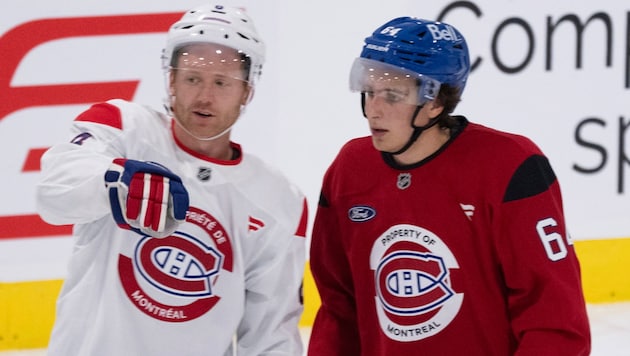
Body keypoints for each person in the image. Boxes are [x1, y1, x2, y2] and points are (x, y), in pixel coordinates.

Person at [308, 16, 591, 355]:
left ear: (436, 101)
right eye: (369, 91)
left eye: (393, 96)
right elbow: (339, 309)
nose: (374, 109)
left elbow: (556, 322)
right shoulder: (350, 169)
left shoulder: (510, 167)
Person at [36, 4, 308, 355]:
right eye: (193, 78)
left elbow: (272, 335)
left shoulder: (278, 200)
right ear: (171, 80)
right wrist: (112, 180)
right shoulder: (123, 127)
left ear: (247, 93)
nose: (205, 97)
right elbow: (54, 193)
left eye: (222, 83)